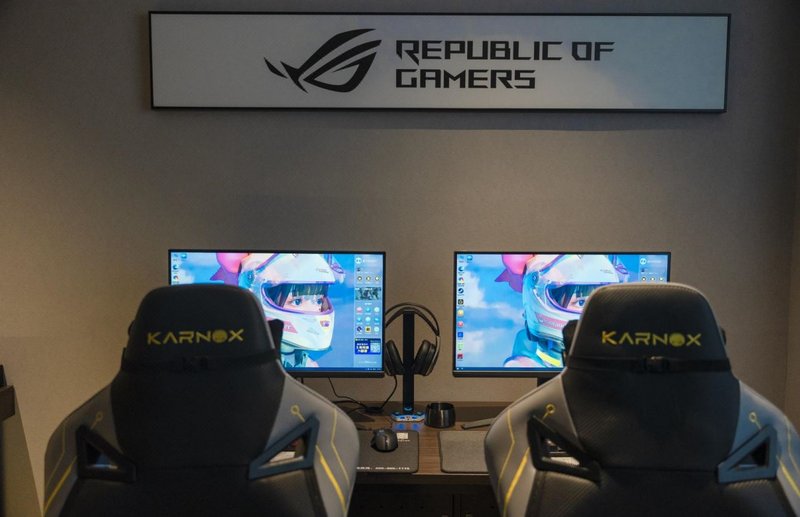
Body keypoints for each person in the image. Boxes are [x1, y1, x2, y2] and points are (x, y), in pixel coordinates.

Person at [214, 252, 342, 368]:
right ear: (257, 297)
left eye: (318, 301)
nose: (313, 309)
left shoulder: (307, 364)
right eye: (297, 301)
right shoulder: (245, 363)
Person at [497, 254, 622, 368]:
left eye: (600, 301)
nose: (594, 310)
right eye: (581, 302)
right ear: (540, 299)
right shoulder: (525, 366)